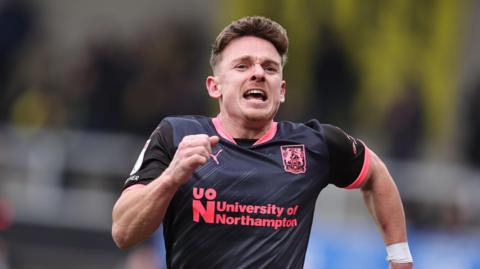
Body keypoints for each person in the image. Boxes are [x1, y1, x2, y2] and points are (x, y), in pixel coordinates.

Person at [111, 16, 413, 269]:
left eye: (269, 68)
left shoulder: (314, 145)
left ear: (281, 90)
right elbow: (123, 231)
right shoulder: (176, 136)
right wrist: (171, 177)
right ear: (215, 86)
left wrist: (399, 256)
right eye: (242, 66)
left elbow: (374, 173)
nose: (258, 73)